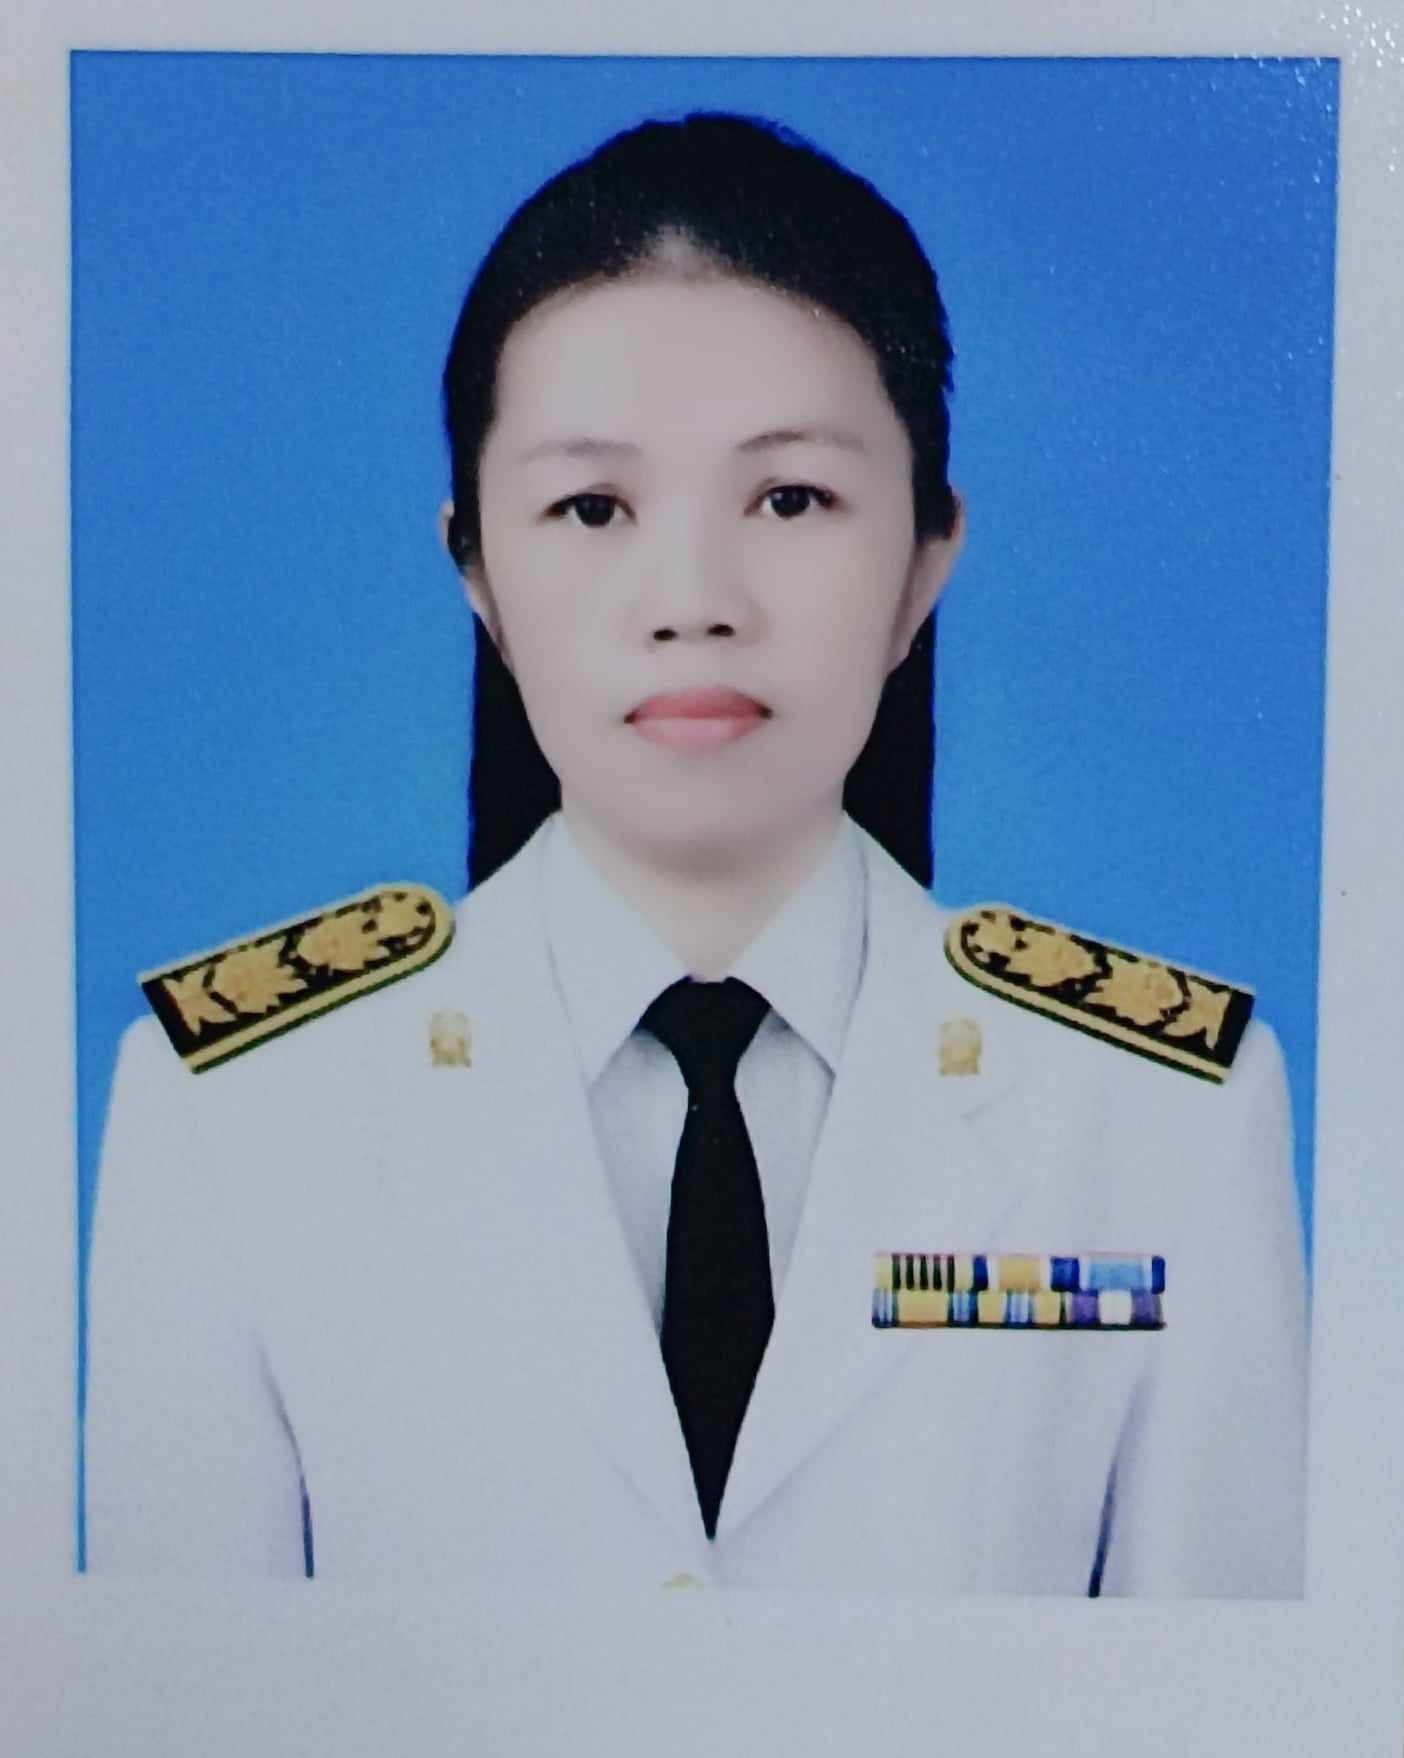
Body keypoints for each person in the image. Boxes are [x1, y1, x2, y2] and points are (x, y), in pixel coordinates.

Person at [83, 112, 1306, 1593]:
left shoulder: (1160, 1117)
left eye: (791, 499)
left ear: (928, 557)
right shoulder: (236, 1114)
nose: (694, 599)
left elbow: (1221, 1700)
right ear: (474, 564)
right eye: (591, 506)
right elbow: (175, 1705)